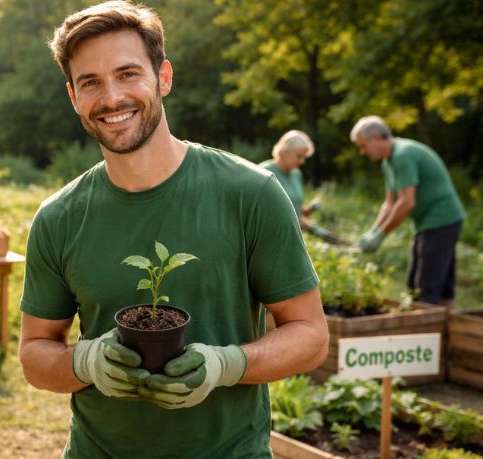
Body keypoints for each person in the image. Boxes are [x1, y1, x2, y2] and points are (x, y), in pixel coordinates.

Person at [17, 2, 329, 457]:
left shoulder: (249, 192)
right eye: (91, 82)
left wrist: (228, 364)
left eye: (128, 74)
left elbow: (310, 334)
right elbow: (34, 354)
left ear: (163, 77)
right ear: (74, 98)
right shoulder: (58, 217)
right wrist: (84, 362)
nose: (111, 98)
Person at [351, 115, 466, 308]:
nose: (362, 152)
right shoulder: (388, 162)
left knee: (424, 289)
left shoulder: (403, 155)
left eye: (363, 146)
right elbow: (389, 203)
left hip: (440, 222)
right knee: (431, 284)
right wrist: (372, 231)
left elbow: (406, 202)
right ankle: (446, 332)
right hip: (431, 224)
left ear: (376, 139)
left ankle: (427, 334)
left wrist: (381, 235)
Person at [259, 130, 340, 244]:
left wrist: (321, 232)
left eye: (304, 157)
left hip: (292, 240)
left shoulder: (296, 174)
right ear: (285, 151)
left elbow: (297, 215)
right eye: (299, 156)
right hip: (268, 239)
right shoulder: (263, 171)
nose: (302, 161)